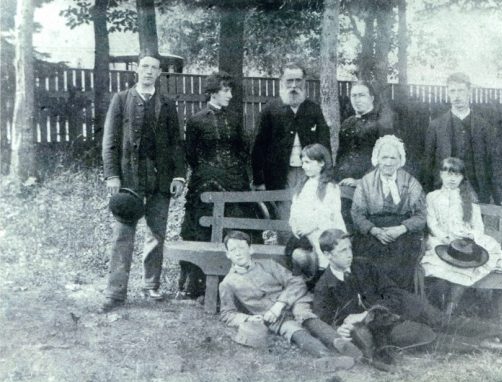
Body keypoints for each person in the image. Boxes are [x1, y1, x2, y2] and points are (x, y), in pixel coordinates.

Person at [313, 229, 502, 357]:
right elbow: (326, 322)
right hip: (384, 328)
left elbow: (392, 291)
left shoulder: (363, 265)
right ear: (327, 254)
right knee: (426, 336)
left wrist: (367, 312)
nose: (349, 254)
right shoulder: (325, 286)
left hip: (402, 305)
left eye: (350, 248)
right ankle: (489, 346)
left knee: (442, 320)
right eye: (342, 251)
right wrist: (341, 329)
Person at [100, 52, 185, 312]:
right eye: (145, 66)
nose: (149, 71)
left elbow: (176, 144)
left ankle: (151, 285)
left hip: (160, 178)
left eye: (154, 68)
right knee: (122, 236)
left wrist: (179, 175)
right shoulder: (122, 99)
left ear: (160, 73)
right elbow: (110, 140)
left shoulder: (168, 104)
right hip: (129, 178)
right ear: (137, 70)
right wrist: (112, 174)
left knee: (156, 234)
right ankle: (115, 293)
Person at [218, 231, 362, 370]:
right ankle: (327, 357)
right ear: (227, 254)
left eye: (242, 248)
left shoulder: (268, 265)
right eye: (233, 250)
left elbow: (296, 282)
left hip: (294, 301)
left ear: (251, 250)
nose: (238, 252)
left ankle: (342, 344)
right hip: (274, 319)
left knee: (304, 316)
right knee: (293, 330)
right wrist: (248, 319)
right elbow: (227, 313)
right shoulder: (228, 283)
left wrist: (280, 304)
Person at [178, 72, 256, 300]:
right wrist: (209, 171)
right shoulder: (196, 120)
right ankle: (201, 286)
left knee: (237, 227)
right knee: (203, 230)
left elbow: (243, 150)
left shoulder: (234, 118)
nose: (230, 95)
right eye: (226, 90)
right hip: (206, 183)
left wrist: (236, 172)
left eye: (231, 90)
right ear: (213, 92)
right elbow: (191, 154)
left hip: (235, 181)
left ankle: (236, 283)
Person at [421, 157, 502, 314]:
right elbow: (432, 223)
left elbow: (478, 226)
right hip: (441, 240)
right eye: (448, 174)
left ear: (462, 178)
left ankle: (451, 308)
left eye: (456, 175)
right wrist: (445, 238)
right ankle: (438, 309)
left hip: (465, 242)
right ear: (441, 175)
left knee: (467, 263)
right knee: (440, 265)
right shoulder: (432, 197)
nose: (452, 179)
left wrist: (469, 236)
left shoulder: (468, 198)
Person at [251, 62, 330, 220]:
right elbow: (257, 147)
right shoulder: (270, 110)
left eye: (298, 80)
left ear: (304, 82)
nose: (294, 85)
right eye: (289, 80)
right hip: (279, 175)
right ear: (281, 82)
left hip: (309, 173)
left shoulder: (313, 109)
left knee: (309, 213)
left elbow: (324, 144)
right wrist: (259, 180)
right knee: (284, 217)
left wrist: (326, 175)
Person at [423, 72, 502, 210]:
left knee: (474, 228)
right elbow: (428, 163)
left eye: (461, 90)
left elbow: (493, 163)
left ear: (469, 92)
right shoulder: (436, 126)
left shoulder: (484, 127)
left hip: (476, 191)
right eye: (452, 91)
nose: (457, 96)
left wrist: (501, 197)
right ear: (448, 93)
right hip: (443, 191)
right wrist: (426, 194)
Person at [350, 135, 426, 291]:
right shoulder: (366, 182)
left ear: (400, 160)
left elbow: (421, 216)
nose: (388, 162)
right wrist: (374, 231)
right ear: (377, 158)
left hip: (402, 233)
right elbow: (357, 214)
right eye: (384, 157)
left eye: (393, 158)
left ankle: (398, 305)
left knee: (400, 259)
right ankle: (373, 304)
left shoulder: (411, 182)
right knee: (367, 260)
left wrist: (400, 229)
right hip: (372, 232)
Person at [287, 144, 346, 289]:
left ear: (321, 163)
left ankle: (320, 284)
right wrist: (295, 226)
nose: (304, 166)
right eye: (303, 163)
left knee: (322, 249)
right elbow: (294, 210)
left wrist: (309, 228)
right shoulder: (303, 186)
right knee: (297, 253)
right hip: (303, 234)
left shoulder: (330, 187)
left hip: (323, 230)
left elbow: (327, 213)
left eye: (308, 162)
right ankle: (303, 285)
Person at [335, 81, 393, 187]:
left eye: (361, 95)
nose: (357, 100)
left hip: (370, 183)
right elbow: (341, 154)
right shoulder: (347, 123)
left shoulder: (381, 123)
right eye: (353, 96)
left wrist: (361, 181)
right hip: (343, 181)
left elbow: (385, 158)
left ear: (371, 98)